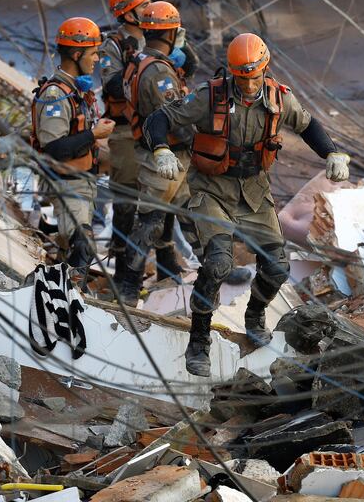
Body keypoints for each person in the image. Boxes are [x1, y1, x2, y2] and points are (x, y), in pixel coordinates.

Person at [143, 33, 351, 377]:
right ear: (233, 73)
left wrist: (332, 152)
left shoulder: (278, 99)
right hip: (212, 190)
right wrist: (161, 149)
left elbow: (308, 124)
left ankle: (254, 316)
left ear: (265, 70)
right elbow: (160, 119)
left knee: (277, 265)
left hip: (254, 193)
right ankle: (199, 339)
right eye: (242, 77)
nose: (249, 84)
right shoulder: (210, 96)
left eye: (254, 76)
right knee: (218, 264)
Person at [116, 1, 197, 305]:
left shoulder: (139, 61)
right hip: (163, 156)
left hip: (162, 154)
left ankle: (212, 270)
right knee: (149, 222)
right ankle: (127, 285)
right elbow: (175, 116)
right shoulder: (159, 73)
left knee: (189, 213)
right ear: (171, 32)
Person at [30, 17, 116, 273]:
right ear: (77, 54)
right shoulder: (56, 95)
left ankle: (58, 285)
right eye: (93, 53)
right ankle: (73, 298)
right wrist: (93, 134)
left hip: (83, 180)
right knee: (84, 243)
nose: (97, 59)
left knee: (72, 245)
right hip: (66, 183)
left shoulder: (79, 92)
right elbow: (55, 148)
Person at [99, 0, 153, 282]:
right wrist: (142, 73)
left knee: (165, 204)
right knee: (125, 203)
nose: (149, 11)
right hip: (125, 133)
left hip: (157, 129)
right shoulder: (114, 45)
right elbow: (111, 84)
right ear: (128, 13)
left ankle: (167, 262)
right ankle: (122, 267)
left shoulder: (158, 38)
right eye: (143, 6)